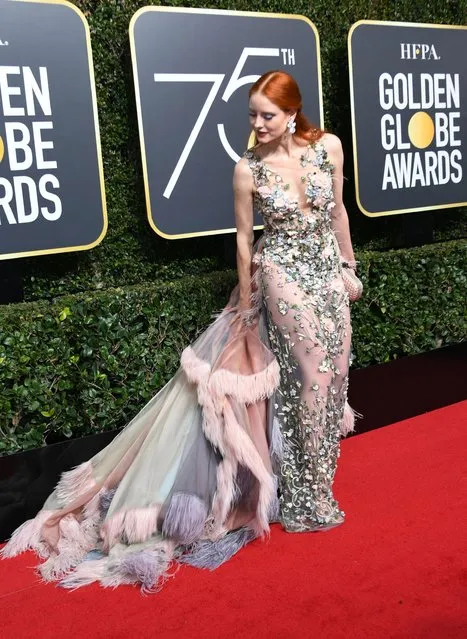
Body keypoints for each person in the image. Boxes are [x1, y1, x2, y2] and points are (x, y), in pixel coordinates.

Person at [1, 70, 359, 592]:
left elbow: (339, 212)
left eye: (267, 116)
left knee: (336, 378)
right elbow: (243, 242)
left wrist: (349, 266)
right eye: (252, 115)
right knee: (310, 379)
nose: (257, 125)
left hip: (329, 274)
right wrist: (247, 296)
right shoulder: (247, 170)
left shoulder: (329, 146)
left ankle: (313, 481)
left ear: (292, 113)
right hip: (281, 276)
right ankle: (306, 497)